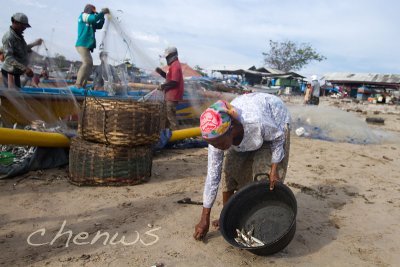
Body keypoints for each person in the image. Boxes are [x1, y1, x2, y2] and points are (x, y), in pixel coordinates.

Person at [193, 93, 291, 240]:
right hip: (248, 123)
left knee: (264, 175)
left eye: (219, 142)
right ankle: (227, 216)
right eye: (212, 143)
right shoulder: (216, 137)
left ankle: (264, 215)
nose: (217, 147)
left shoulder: (256, 123)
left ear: (231, 129)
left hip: (275, 120)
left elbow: (278, 138)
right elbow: (213, 176)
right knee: (230, 171)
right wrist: (204, 217)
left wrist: (274, 168)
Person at [1, 13, 42, 88]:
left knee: (17, 93)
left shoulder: (19, 36)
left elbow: (24, 49)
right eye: (23, 26)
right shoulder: (9, 37)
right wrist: (25, 68)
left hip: (16, 71)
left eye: (25, 26)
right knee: (8, 94)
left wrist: (35, 43)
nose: (24, 28)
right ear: (15, 22)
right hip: (9, 71)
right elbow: (9, 58)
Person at [74, 4, 109, 89]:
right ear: (88, 11)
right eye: (92, 12)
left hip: (86, 46)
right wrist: (102, 13)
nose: (94, 14)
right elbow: (94, 18)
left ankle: (83, 85)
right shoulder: (83, 16)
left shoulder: (91, 21)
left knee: (90, 65)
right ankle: (78, 84)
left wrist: (102, 17)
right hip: (81, 44)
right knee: (87, 62)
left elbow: (99, 25)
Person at [155, 46, 184, 130]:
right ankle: (168, 133)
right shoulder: (173, 65)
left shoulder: (175, 65)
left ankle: (177, 137)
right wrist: (161, 72)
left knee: (171, 118)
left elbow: (174, 82)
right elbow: (170, 79)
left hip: (173, 96)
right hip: (170, 96)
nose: (166, 59)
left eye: (167, 57)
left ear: (172, 55)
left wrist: (163, 86)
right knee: (167, 116)